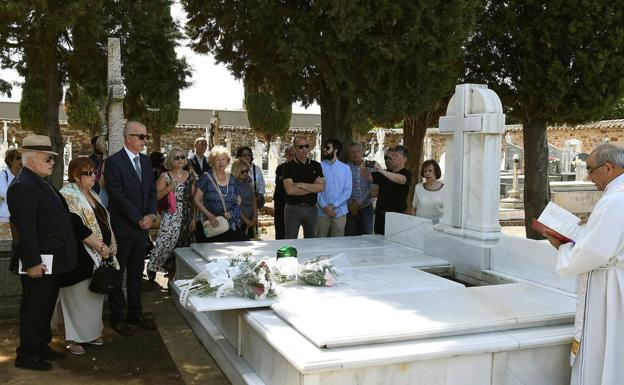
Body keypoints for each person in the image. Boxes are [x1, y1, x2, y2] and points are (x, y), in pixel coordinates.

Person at [543, 143, 624, 385]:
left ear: (608, 167)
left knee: (603, 350)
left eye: (591, 170)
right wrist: (592, 225)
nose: (589, 178)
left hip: (609, 288)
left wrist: (562, 247)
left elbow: (595, 252)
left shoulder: (615, 200)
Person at [8, 135, 77, 371]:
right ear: (32, 160)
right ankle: (27, 354)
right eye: (48, 158)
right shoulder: (23, 186)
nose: (52, 162)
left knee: (45, 306)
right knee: (34, 309)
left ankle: (41, 347)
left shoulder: (38, 181)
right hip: (40, 261)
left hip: (52, 259)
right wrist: (32, 262)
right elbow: (24, 230)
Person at [59, 157, 117, 355]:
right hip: (79, 257)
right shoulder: (67, 195)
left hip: (100, 256)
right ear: (75, 175)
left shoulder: (94, 194)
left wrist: (112, 243)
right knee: (76, 298)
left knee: (93, 296)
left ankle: (90, 333)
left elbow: (105, 220)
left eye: (95, 172)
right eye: (88, 173)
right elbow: (77, 226)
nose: (94, 177)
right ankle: (73, 338)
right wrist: (101, 247)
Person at [104, 121, 157, 336]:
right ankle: (117, 318)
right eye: (141, 137)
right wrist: (138, 218)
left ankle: (135, 314)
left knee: (136, 274)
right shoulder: (114, 163)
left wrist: (152, 215)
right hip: (123, 229)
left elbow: (152, 191)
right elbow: (117, 196)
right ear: (128, 138)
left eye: (146, 136)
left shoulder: (145, 161)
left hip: (142, 229)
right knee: (118, 274)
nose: (145, 140)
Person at [147, 147, 196, 277]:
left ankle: (173, 274)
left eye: (182, 157)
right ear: (170, 160)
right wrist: (169, 188)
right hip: (170, 215)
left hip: (187, 214)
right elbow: (155, 197)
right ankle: (153, 265)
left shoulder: (191, 176)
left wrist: (193, 219)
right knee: (165, 243)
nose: (180, 160)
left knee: (183, 245)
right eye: (176, 157)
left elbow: (194, 200)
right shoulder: (165, 176)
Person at [193, 146, 245, 243]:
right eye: (217, 160)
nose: (221, 163)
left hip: (229, 225)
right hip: (212, 224)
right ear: (212, 161)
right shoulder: (206, 177)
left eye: (223, 159)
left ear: (227, 161)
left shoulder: (232, 178)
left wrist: (232, 213)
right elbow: (196, 199)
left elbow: (238, 200)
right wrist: (210, 216)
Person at [283, 136, 324, 239]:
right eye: (301, 147)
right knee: (290, 240)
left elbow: (321, 188)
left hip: (311, 209)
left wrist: (301, 184)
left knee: (311, 242)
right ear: (295, 149)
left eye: (306, 146)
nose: (304, 149)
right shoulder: (288, 166)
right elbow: (290, 190)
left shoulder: (316, 165)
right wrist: (312, 187)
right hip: (293, 209)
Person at [371, 146, 412, 235]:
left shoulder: (406, 173)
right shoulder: (384, 172)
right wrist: (364, 166)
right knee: (378, 243)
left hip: (396, 216)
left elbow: (401, 180)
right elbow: (368, 178)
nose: (392, 158)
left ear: (404, 159)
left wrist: (381, 171)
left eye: (396, 156)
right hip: (380, 215)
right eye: (392, 155)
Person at [316, 139, 352, 237]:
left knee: (338, 244)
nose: (324, 150)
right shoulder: (318, 166)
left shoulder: (345, 168)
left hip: (339, 212)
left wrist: (333, 205)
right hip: (321, 212)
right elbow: (316, 190)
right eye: (324, 147)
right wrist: (325, 207)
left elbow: (347, 191)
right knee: (319, 242)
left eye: (327, 147)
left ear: (335, 150)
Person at [345, 142, 374, 236]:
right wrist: (350, 204)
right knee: (350, 238)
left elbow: (372, 188)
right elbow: (343, 187)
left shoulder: (370, 166)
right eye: (352, 152)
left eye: (358, 151)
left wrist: (358, 203)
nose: (355, 154)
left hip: (366, 209)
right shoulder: (345, 168)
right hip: (349, 209)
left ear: (363, 152)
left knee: (366, 239)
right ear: (349, 154)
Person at [412, 159, 445, 224]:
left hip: (438, 227)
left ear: (436, 172)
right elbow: (414, 207)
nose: (427, 173)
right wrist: (413, 222)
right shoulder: (418, 187)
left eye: (430, 171)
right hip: (420, 225)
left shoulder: (445, 188)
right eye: (425, 171)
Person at [231, 158, 257, 240]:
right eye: (242, 172)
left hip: (251, 218)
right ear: (236, 171)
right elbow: (235, 205)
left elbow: (253, 198)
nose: (245, 173)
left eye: (247, 171)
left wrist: (255, 216)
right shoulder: (232, 184)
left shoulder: (248, 181)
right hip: (239, 221)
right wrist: (245, 220)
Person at [273, 145, 295, 239]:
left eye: (294, 154)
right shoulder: (280, 168)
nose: (292, 156)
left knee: (293, 228)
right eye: (289, 154)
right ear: (285, 155)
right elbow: (279, 184)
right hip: (280, 201)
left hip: (294, 201)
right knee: (280, 227)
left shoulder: (299, 168)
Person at [0, 149, 22, 223]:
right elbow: (3, 192)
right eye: (18, 158)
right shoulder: (3, 174)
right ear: (10, 161)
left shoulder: (22, 174)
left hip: (20, 215)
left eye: (21, 157)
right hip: (5, 216)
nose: (21, 160)